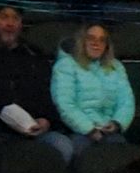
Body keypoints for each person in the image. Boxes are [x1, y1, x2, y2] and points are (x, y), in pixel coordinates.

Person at [0, 4, 74, 171]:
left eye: (15, 18)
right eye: (4, 17)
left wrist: (46, 120)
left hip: (36, 130)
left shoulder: (34, 54)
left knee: (62, 145)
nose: (10, 23)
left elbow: (47, 95)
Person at [50, 22, 134, 160]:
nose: (96, 43)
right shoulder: (65, 65)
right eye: (91, 38)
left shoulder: (116, 67)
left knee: (119, 152)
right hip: (77, 131)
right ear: (82, 41)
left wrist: (117, 123)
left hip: (109, 130)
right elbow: (65, 103)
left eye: (102, 40)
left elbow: (126, 101)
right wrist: (89, 129)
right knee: (87, 156)